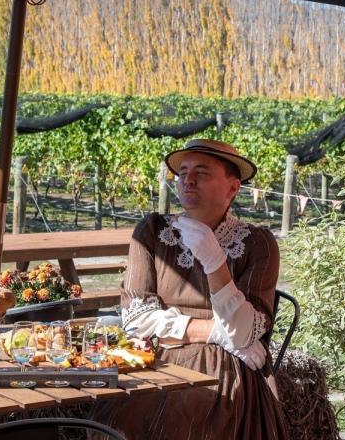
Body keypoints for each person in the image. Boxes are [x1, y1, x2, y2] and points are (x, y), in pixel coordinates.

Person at [91, 139, 288, 439]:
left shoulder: (257, 243)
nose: (188, 179)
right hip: (157, 357)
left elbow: (243, 332)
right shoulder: (152, 232)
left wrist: (214, 260)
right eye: (183, 172)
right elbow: (137, 319)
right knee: (114, 422)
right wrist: (216, 331)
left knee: (190, 419)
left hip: (224, 366)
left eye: (202, 172)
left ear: (232, 188)